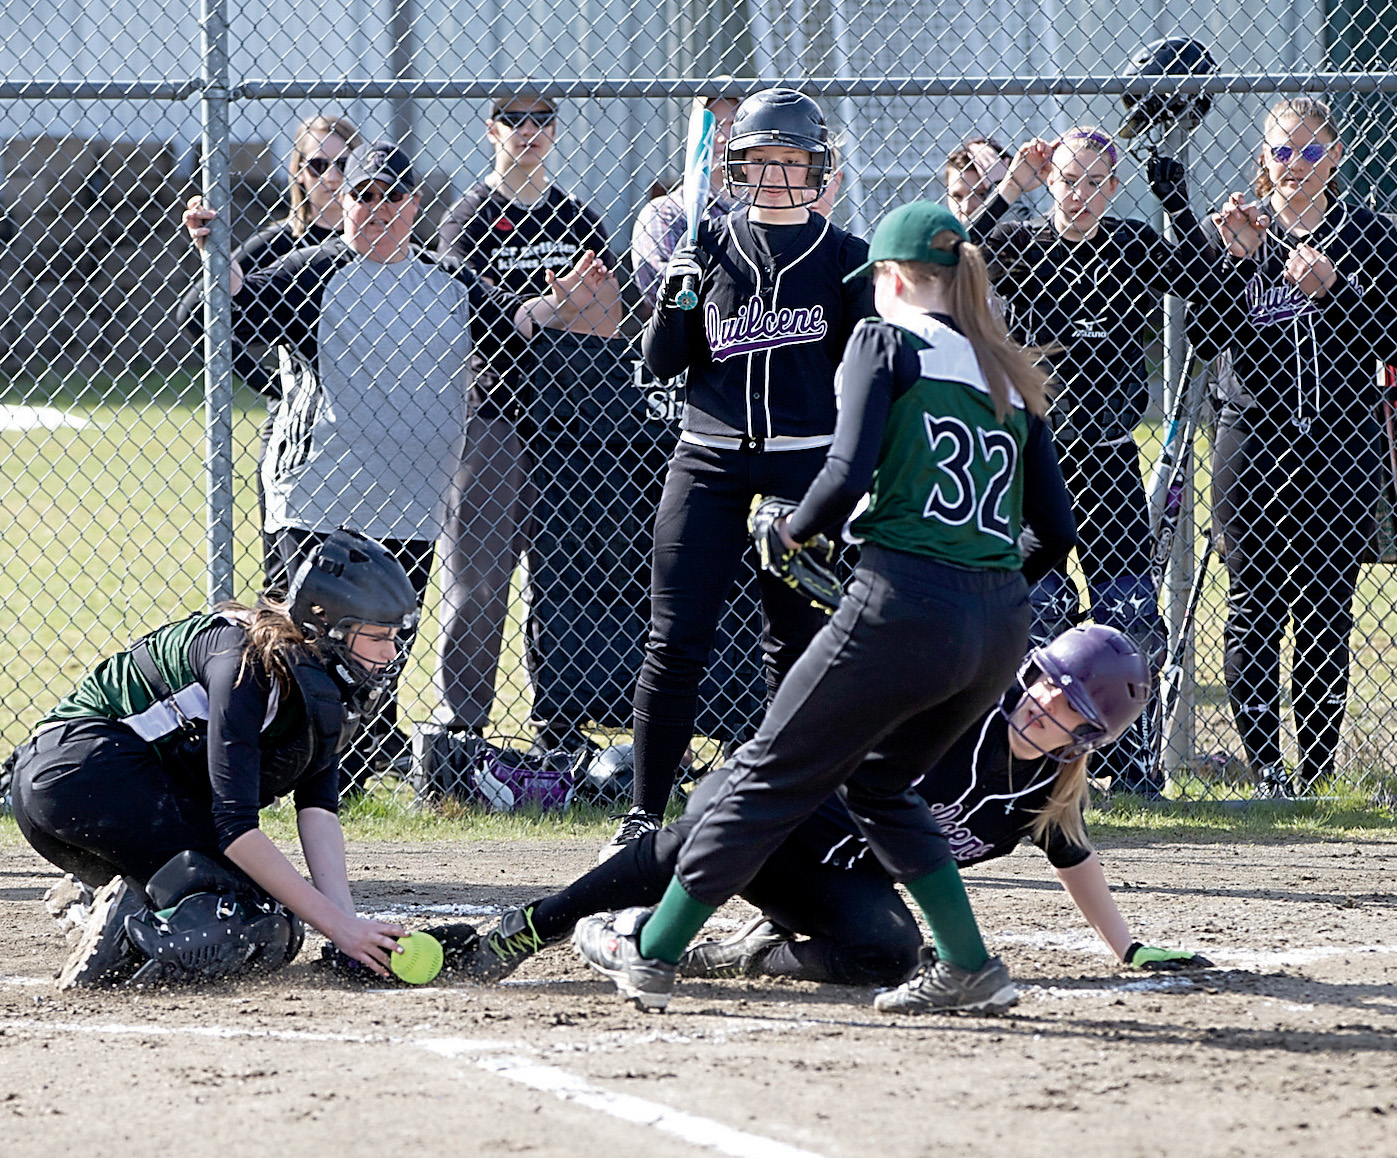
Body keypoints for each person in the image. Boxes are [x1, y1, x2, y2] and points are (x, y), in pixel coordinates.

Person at [572, 200, 1075, 1015]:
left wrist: (791, 531)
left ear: (893, 278)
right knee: (879, 783)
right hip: (997, 623)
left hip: (903, 601)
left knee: (765, 774)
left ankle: (654, 950)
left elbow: (840, 477)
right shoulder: (1006, 371)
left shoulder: (884, 340)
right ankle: (968, 967)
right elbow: (1054, 532)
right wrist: (981, 584)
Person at [183, 139, 613, 788]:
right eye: (364, 195)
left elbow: (515, 324)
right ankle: (270, 770)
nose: (379, 208)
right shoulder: (312, 272)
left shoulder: (449, 280)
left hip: (409, 509)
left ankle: (344, 777)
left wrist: (564, 305)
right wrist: (215, 260)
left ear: (414, 205)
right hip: (318, 501)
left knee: (380, 654)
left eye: (393, 196)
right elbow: (221, 313)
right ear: (345, 201)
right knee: (304, 651)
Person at [456, 626, 1209, 988]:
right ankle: (535, 927)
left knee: (889, 955)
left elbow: (1074, 857)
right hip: (776, 806)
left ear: (1087, 737)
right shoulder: (961, 710)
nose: (1045, 703)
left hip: (826, 874)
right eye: (1046, 682)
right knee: (711, 841)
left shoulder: (1044, 790)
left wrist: (1127, 949)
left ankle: (739, 952)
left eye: (1070, 708)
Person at [612, 87, 877, 855]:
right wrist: (674, 301)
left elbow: (866, 380)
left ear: (817, 169)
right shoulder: (708, 249)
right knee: (674, 641)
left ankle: (787, 815)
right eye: (761, 160)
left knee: (795, 647)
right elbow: (664, 363)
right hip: (707, 459)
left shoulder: (847, 260)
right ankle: (644, 816)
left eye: (792, 161)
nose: (776, 175)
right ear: (736, 166)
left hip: (801, 469)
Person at [6, 530, 418, 989]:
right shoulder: (245, 662)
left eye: (395, 636)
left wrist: (348, 929)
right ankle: (121, 937)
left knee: (275, 924)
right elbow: (236, 827)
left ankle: (113, 903)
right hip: (76, 775)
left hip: (101, 788)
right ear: (322, 621)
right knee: (241, 917)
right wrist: (339, 928)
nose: (391, 652)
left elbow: (318, 810)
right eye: (377, 636)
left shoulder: (316, 676)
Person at [966, 125, 1213, 796]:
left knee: (1128, 615)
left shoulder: (1131, 244)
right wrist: (1008, 188)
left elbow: (1208, 290)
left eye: (1095, 183)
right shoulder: (1021, 244)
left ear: (1113, 187)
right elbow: (953, 258)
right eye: (1068, 181)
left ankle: (1128, 766)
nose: (1079, 195)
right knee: (1037, 611)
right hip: (1037, 457)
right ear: (1051, 181)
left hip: (1108, 456)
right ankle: (1028, 764)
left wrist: (1176, 202)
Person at [1188, 97, 1397, 798]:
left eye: (1309, 151)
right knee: (1253, 606)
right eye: (1281, 151)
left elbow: (1390, 339)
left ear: (1334, 156)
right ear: (1262, 157)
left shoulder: (1370, 235)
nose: (1294, 165)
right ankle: (1268, 774)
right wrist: (1234, 263)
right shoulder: (1238, 229)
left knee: (1326, 609)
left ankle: (1316, 774)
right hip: (1252, 443)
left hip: (1341, 444)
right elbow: (1205, 339)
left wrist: (1334, 290)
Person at [433, 93, 626, 759]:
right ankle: (462, 727)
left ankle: (561, 719)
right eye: (514, 120)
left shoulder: (579, 218)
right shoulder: (466, 217)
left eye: (542, 120)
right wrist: (549, 308)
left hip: (570, 423)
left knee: (566, 577)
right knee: (479, 579)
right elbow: (467, 315)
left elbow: (607, 319)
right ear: (492, 130)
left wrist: (571, 310)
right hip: (495, 414)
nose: (529, 131)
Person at [179, 114, 362, 589]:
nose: (332, 177)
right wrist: (272, 384)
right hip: (299, 426)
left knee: (368, 572)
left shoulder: (381, 240)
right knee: (289, 577)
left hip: (372, 424)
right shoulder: (279, 244)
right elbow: (197, 313)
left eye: (344, 164)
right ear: (298, 170)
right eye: (317, 164)